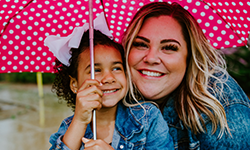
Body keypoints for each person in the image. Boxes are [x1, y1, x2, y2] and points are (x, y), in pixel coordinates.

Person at [122, 2, 250, 149]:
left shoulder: (220, 104)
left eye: (169, 47)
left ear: (189, 57)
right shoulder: (112, 94)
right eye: (141, 44)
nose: (151, 58)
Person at [45, 13, 173, 150]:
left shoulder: (147, 118)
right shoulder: (69, 127)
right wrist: (80, 121)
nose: (109, 78)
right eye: (97, 70)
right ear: (74, 84)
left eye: (117, 68)